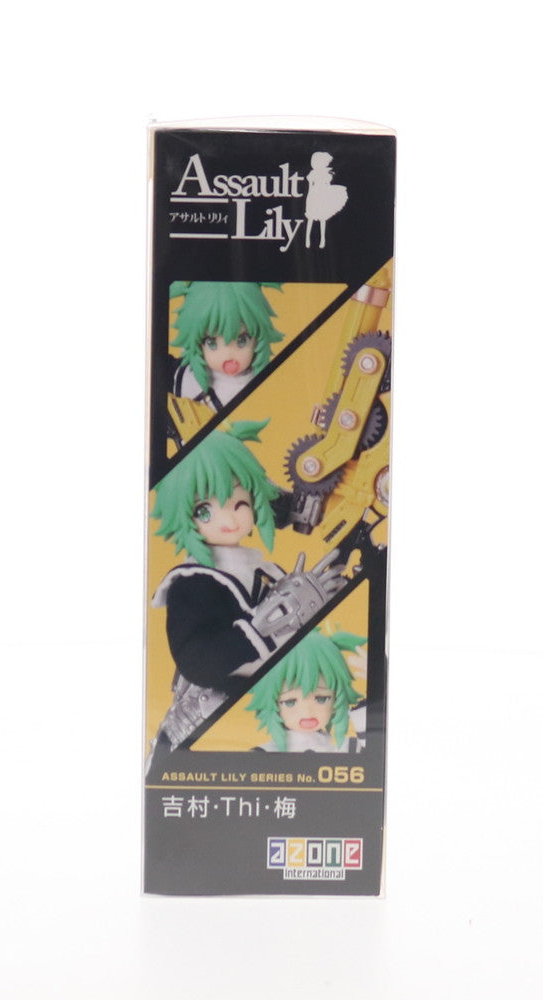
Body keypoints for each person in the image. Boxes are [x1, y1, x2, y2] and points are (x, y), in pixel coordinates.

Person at [148, 420, 345, 762]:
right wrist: (263, 628)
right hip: (206, 720)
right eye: (204, 510)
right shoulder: (193, 583)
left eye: (239, 503)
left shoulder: (261, 568)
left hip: (271, 712)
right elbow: (196, 661)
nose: (228, 520)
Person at [246, 627, 366, 752]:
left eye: (321, 699)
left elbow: (373, 753)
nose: (307, 712)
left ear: (337, 699)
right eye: (290, 702)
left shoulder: (347, 747)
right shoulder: (264, 753)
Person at [168, 282, 283, 410]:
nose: (228, 356)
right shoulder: (181, 374)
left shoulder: (261, 389)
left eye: (242, 340)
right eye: (211, 343)